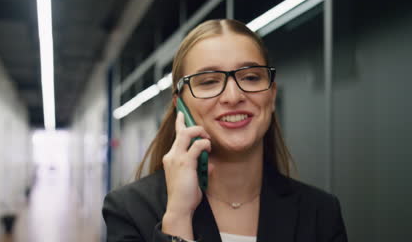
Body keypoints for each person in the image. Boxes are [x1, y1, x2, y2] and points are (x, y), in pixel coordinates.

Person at [102, 19, 348, 242]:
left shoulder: (320, 213)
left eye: (251, 77)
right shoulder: (130, 210)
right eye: (209, 81)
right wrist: (178, 216)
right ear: (180, 105)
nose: (233, 96)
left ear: (271, 96)